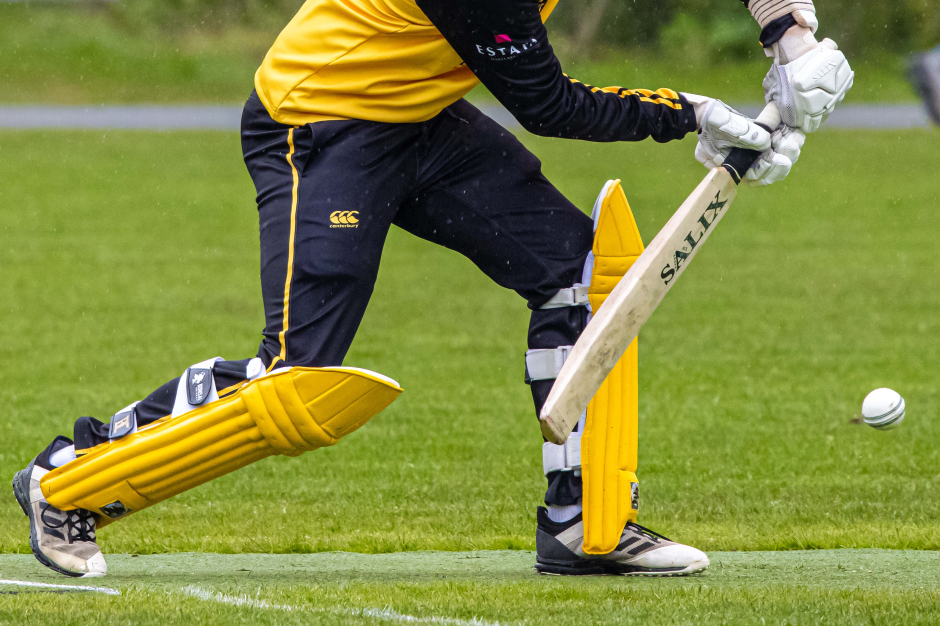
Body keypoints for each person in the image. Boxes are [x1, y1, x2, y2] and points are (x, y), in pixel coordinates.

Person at [13, 0, 852, 578]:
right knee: (298, 377)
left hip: (420, 115)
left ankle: (585, 524)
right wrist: (693, 112)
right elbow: (549, 104)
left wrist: (793, 38)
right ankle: (69, 481)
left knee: (577, 276)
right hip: (321, 122)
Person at [909, 45, 940, 126]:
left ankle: (933, 119)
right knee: (932, 94)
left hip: (928, 64)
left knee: (930, 94)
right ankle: (932, 119)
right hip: (930, 66)